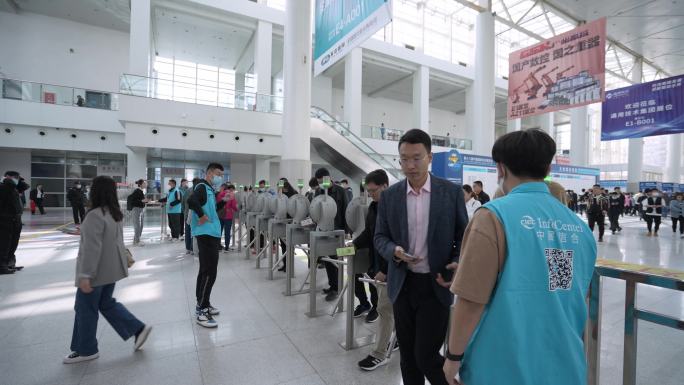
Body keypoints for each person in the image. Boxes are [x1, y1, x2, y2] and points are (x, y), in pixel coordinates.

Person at [442, 129, 597, 385]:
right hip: (562, 363)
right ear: (547, 167)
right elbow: (557, 288)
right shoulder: (577, 226)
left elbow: (471, 302)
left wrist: (452, 359)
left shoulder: (492, 216)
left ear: (501, 168)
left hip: (501, 365)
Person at [374, 129, 468, 385]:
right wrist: (394, 250)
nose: (410, 165)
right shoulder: (390, 197)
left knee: (425, 355)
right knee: (407, 357)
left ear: (430, 157)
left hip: (436, 283)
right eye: (404, 159)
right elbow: (379, 237)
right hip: (402, 284)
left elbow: (464, 234)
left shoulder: (450, 193)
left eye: (416, 158)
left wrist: (458, 258)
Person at [64, 176, 152, 364]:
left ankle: (86, 349)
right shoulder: (114, 213)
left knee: (84, 308)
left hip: (95, 273)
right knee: (106, 304)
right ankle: (137, 329)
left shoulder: (94, 215)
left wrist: (85, 275)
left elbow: (91, 249)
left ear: (96, 191)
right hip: (111, 270)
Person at [356, 169, 397, 371]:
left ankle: (380, 353)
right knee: (390, 309)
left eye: (373, 190)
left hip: (391, 270)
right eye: (368, 191)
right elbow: (369, 233)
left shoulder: (397, 208)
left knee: (384, 309)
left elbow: (399, 242)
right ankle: (396, 340)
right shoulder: (374, 207)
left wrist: (387, 270)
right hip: (378, 267)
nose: (370, 194)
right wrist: (351, 246)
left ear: (385, 186)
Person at [188, 163, 225, 328]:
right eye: (218, 174)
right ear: (209, 173)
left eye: (221, 175)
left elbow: (213, 209)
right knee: (209, 272)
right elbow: (191, 200)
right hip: (206, 234)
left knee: (206, 271)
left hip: (211, 233)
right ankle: (201, 310)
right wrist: (201, 215)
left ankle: (204, 303)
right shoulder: (202, 186)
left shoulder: (209, 190)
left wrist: (223, 202)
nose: (220, 177)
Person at [314, 168, 350, 301]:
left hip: (337, 231)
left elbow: (346, 211)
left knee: (336, 260)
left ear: (329, 178)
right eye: (319, 182)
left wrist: (346, 232)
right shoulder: (318, 191)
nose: (321, 184)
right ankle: (332, 285)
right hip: (323, 230)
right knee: (327, 259)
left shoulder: (340, 191)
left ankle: (337, 288)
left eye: (322, 181)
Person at [0, 171, 24, 274]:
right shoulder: (3, 187)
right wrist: (7, 181)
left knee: (13, 243)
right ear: (7, 177)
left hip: (16, 220)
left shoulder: (12, 187)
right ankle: (2, 266)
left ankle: (10, 263)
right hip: (6, 220)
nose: (17, 179)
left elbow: (24, 186)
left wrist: (19, 181)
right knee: (5, 243)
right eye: (15, 177)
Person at [277, 179, 297, 272]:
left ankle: (289, 265)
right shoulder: (280, 195)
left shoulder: (294, 194)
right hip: (283, 222)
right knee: (283, 245)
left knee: (289, 245)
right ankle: (285, 265)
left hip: (290, 222)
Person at [127, 179, 149, 246]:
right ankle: (137, 241)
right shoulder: (137, 191)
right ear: (141, 184)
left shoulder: (141, 191)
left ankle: (136, 240)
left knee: (140, 225)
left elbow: (139, 200)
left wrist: (144, 201)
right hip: (137, 210)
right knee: (137, 226)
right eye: (145, 183)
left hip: (140, 210)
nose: (146, 184)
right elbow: (133, 201)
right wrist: (142, 201)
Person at [216, 184, 238, 252]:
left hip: (220, 215)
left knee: (219, 231)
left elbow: (217, 203)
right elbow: (234, 206)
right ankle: (226, 247)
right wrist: (237, 209)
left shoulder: (220, 194)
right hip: (228, 215)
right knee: (227, 232)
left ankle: (218, 246)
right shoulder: (231, 195)